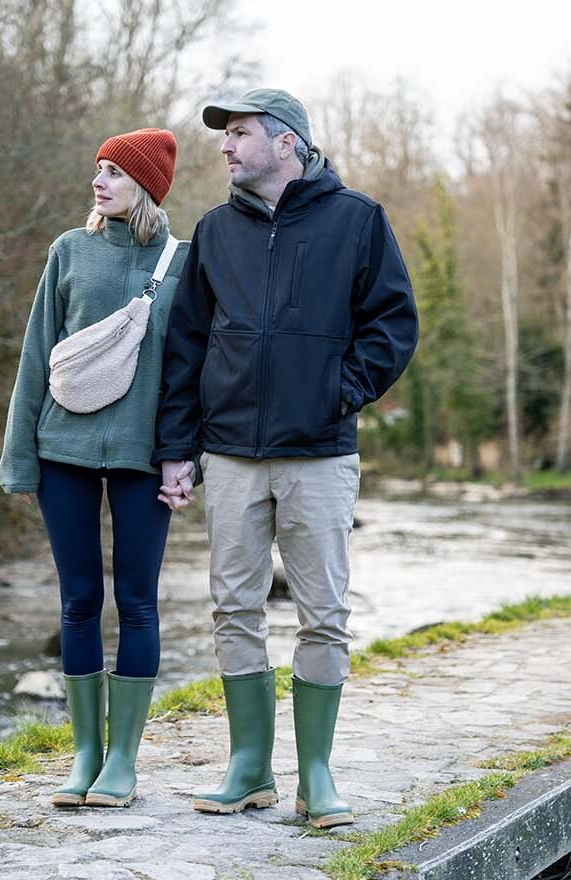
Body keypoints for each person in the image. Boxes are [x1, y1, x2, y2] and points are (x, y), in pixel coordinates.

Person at [153, 89, 418, 829]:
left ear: (287, 144)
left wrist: (341, 390)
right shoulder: (214, 233)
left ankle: (316, 775)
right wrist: (178, 448)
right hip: (230, 454)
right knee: (233, 608)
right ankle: (248, 769)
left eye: (239, 135)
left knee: (323, 615)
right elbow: (185, 347)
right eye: (225, 137)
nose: (226, 148)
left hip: (320, 455)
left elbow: (393, 323)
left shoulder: (356, 221)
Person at [0, 127, 186, 808]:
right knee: (79, 601)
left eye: (114, 172)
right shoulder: (68, 252)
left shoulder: (180, 262)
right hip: (62, 455)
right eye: (97, 170)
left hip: (143, 461)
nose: (99, 182)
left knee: (137, 602)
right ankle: (84, 755)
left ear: (146, 187)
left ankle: (123, 763)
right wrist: (19, 459)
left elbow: (188, 377)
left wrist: (179, 457)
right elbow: (35, 355)